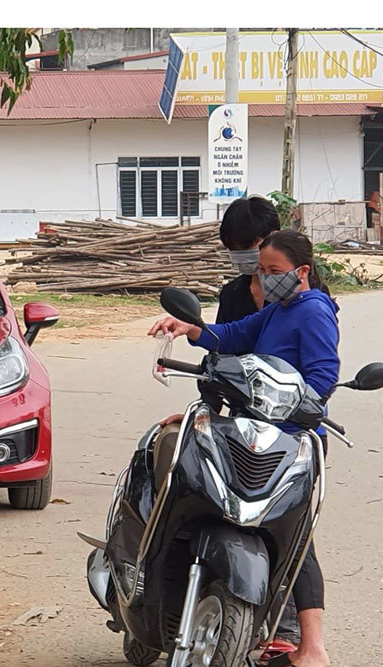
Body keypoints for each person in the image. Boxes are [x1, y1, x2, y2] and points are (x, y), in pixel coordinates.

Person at [149, 229, 339, 667]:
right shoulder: (278, 309)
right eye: (263, 271)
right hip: (254, 433)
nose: (266, 279)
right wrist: (191, 328)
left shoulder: (313, 311)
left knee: (293, 537)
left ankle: (312, 648)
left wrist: (299, 407)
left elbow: (323, 374)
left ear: (302, 272)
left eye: (275, 272)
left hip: (293, 440)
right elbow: (233, 335)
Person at [216, 195, 282, 324]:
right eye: (235, 249)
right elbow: (223, 339)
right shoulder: (231, 294)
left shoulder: (302, 291)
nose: (242, 254)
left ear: (274, 236)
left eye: (248, 246)